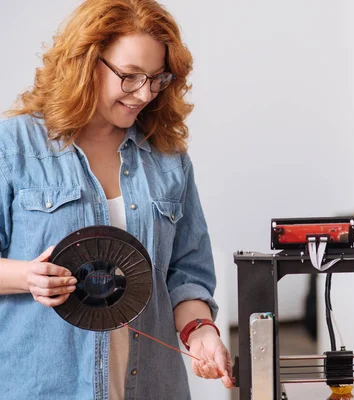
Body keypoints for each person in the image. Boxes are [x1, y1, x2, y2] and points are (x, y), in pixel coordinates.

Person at [0, 1, 233, 399]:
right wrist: (27, 277)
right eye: (129, 76)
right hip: (41, 387)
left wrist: (201, 332)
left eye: (156, 78)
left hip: (153, 387)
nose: (144, 93)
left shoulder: (168, 159)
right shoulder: (14, 148)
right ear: (86, 61)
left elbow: (187, 276)